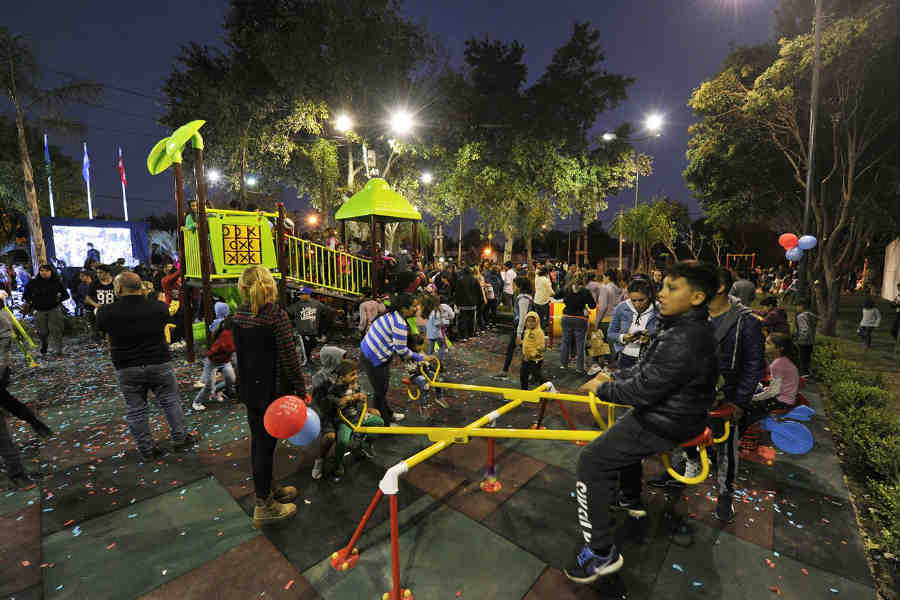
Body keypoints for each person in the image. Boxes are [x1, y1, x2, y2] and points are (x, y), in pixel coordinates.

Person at [565, 261, 718, 583]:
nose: (660, 294)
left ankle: (600, 552)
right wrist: (614, 375)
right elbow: (648, 371)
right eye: (662, 286)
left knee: (592, 461)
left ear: (697, 297)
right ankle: (627, 497)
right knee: (618, 445)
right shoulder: (679, 326)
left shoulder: (684, 336)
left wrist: (604, 387)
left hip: (666, 420)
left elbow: (645, 388)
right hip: (670, 412)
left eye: (672, 288)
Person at [648, 267, 765, 523]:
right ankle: (680, 472)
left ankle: (725, 496)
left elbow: (754, 366)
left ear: (719, 287)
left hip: (726, 399)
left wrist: (739, 401)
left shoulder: (746, 323)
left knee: (726, 451)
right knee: (683, 438)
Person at [96, 271, 199, 462]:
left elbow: (102, 328)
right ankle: (180, 438)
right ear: (141, 287)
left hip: (127, 366)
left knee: (136, 409)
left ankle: (147, 449)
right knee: (170, 402)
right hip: (159, 362)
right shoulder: (158, 308)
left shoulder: (106, 312)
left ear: (118, 289)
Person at [231, 266, 304, 527]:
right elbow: (290, 358)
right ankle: (264, 505)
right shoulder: (275, 315)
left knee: (261, 443)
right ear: (271, 287)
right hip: (272, 391)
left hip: (251, 389)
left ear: (242, 288)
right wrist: (301, 389)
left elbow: (239, 355)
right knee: (264, 446)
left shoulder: (238, 315)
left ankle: (269, 489)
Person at [360, 293, 437, 424]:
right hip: (373, 357)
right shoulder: (399, 323)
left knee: (381, 390)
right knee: (380, 391)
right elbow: (401, 350)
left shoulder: (393, 315)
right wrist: (422, 358)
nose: (417, 308)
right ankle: (382, 422)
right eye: (413, 306)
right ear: (403, 308)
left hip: (371, 352)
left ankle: (387, 415)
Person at [313, 358, 383, 482]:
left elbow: (361, 395)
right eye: (352, 375)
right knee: (343, 441)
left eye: (356, 373)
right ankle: (338, 464)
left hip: (356, 416)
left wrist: (361, 396)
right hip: (344, 420)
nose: (356, 377)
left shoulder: (355, 385)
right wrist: (349, 398)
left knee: (379, 422)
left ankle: (366, 444)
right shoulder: (334, 388)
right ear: (342, 377)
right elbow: (336, 401)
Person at [311, 345, 347, 480]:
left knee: (374, 416)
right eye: (342, 358)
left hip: (345, 410)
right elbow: (321, 402)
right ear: (333, 360)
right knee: (330, 436)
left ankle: (360, 447)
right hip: (328, 413)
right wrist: (338, 400)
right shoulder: (319, 378)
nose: (345, 360)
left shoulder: (343, 372)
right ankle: (320, 460)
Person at [193, 302, 236, 411]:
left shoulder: (229, 332)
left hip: (224, 361)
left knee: (231, 379)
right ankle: (197, 402)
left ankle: (217, 391)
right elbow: (228, 348)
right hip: (212, 361)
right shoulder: (227, 334)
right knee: (209, 385)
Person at [607, 278, 658, 371]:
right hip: (625, 358)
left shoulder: (659, 310)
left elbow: (667, 337)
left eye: (641, 300)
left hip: (649, 360)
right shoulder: (621, 308)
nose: (637, 304)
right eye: (633, 300)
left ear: (649, 296)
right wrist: (623, 337)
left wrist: (649, 339)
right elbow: (610, 333)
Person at [23, 264, 68, 357]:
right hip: (39, 310)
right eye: (42, 271)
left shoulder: (56, 282)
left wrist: (58, 300)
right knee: (42, 331)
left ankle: (58, 349)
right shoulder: (33, 282)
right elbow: (25, 295)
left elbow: (65, 295)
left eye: (47, 271)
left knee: (56, 330)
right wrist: (31, 302)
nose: (44, 273)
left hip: (53, 309)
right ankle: (44, 344)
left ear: (51, 272)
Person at [494, 277, 534, 379]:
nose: (513, 286)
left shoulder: (523, 299)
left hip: (521, 327)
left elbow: (522, 318)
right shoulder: (525, 297)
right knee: (519, 350)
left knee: (524, 351)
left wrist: (519, 334)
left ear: (519, 286)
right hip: (521, 327)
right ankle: (506, 371)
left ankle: (532, 373)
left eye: (515, 284)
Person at [751, 333, 800, 413]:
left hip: (781, 402)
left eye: (768, 343)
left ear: (780, 348)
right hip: (788, 399)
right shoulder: (785, 360)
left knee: (747, 404)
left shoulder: (777, 364)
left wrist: (754, 397)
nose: (764, 344)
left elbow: (773, 392)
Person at [560, 273, 596, 375]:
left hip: (566, 317)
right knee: (580, 344)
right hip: (580, 319)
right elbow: (592, 306)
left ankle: (564, 364)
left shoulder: (566, 289)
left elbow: (556, 295)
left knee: (565, 342)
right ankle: (579, 368)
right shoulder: (585, 291)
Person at [86, 265, 117, 341]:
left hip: (114, 309)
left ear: (107, 273)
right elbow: (88, 298)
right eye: (97, 273)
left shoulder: (115, 282)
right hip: (100, 309)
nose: (98, 274)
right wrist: (96, 305)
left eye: (101, 272)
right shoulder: (94, 283)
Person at [518, 311, 545, 390]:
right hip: (526, 357)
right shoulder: (527, 331)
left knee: (537, 375)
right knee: (523, 375)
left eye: (533, 321)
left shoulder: (539, 332)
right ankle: (524, 391)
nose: (530, 323)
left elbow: (541, 347)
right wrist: (521, 343)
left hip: (535, 359)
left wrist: (531, 355)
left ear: (537, 322)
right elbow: (528, 343)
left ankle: (548, 389)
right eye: (528, 321)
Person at [454, 266, 481, 341]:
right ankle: (470, 335)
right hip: (472, 304)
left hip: (463, 304)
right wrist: (477, 302)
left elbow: (457, 292)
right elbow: (479, 292)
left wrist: (457, 303)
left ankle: (463, 336)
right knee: (471, 320)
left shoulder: (460, 280)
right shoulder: (475, 280)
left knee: (463, 320)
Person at [794, 300, 818, 376]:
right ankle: (806, 374)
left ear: (801, 306)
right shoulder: (811, 315)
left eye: (797, 306)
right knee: (807, 359)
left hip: (803, 342)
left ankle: (803, 375)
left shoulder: (801, 316)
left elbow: (804, 329)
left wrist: (799, 339)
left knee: (802, 360)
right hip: (811, 341)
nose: (796, 308)